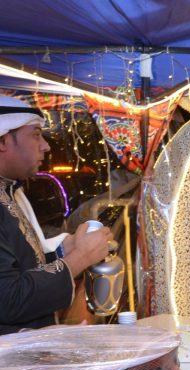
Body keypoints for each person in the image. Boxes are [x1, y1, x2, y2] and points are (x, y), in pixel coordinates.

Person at [0, 95, 112, 334]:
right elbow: (8, 299)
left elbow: (21, 265)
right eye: (35, 135)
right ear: (3, 140)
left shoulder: (9, 192)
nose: (46, 146)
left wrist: (65, 250)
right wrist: (81, 257)